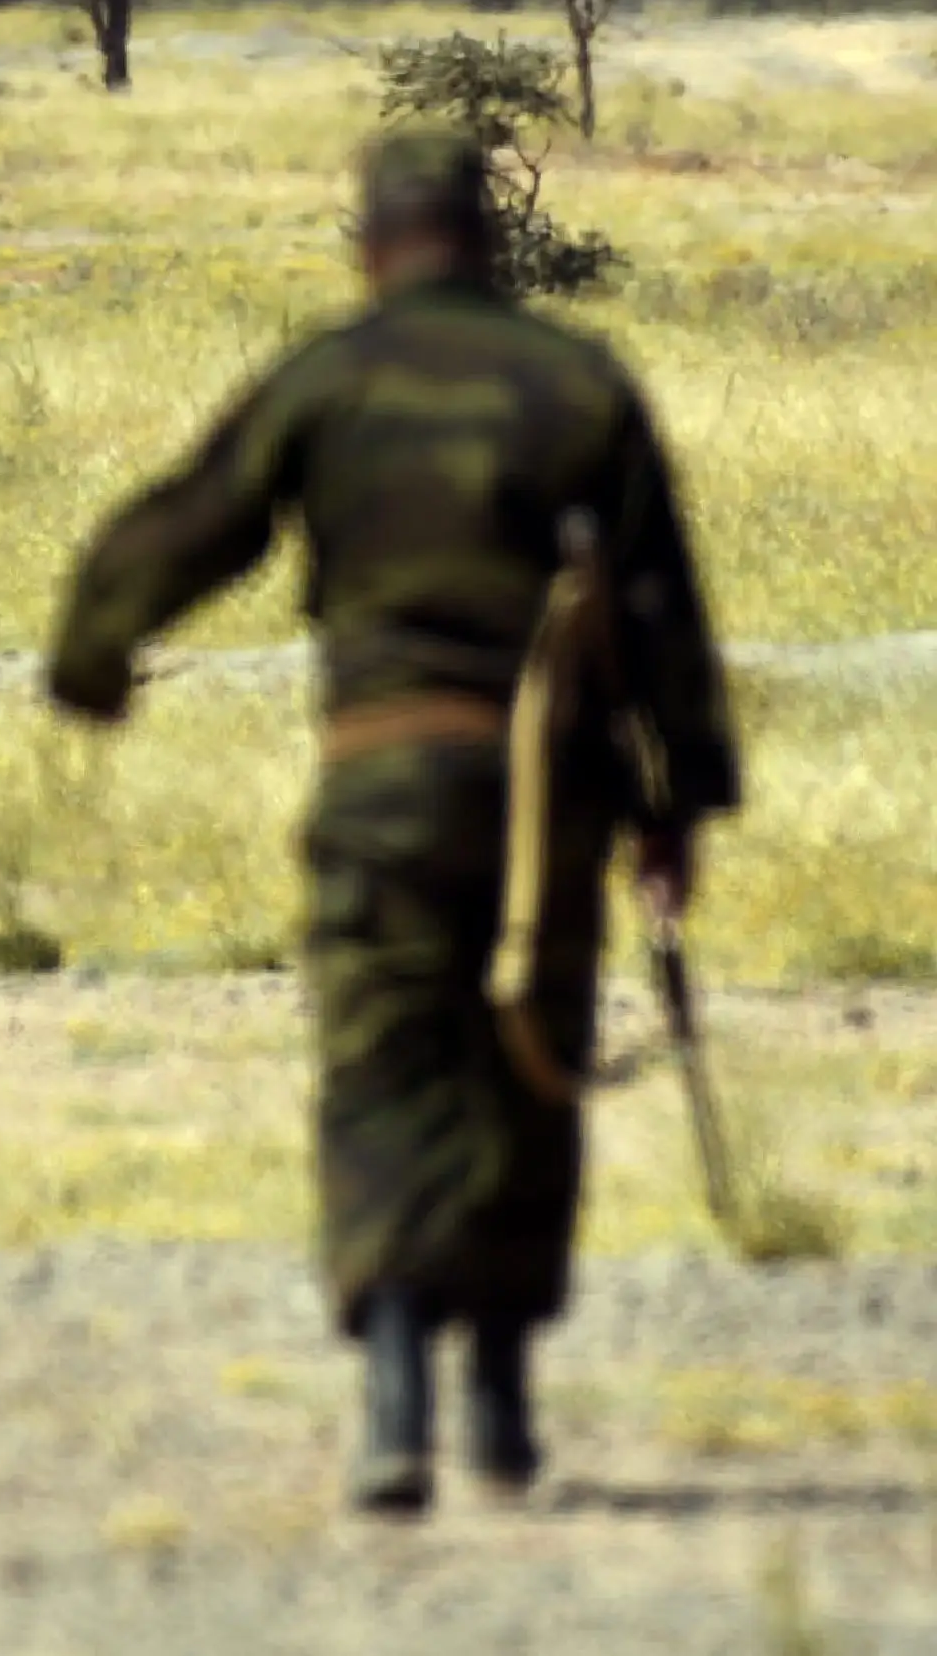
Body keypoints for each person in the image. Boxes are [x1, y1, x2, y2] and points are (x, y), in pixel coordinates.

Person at [42, 125, 741, 1515]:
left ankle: (396, 1387)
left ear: (371, 247)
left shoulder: (332, 376)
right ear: (488, 240)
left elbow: (197, 518)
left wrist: (92, 655)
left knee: (384, 1058)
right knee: (530, 1058)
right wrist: (676, 806)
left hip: (386, 782)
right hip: (551, 799)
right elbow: (662, 612)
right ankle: (501, 1403)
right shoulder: (580, 383)